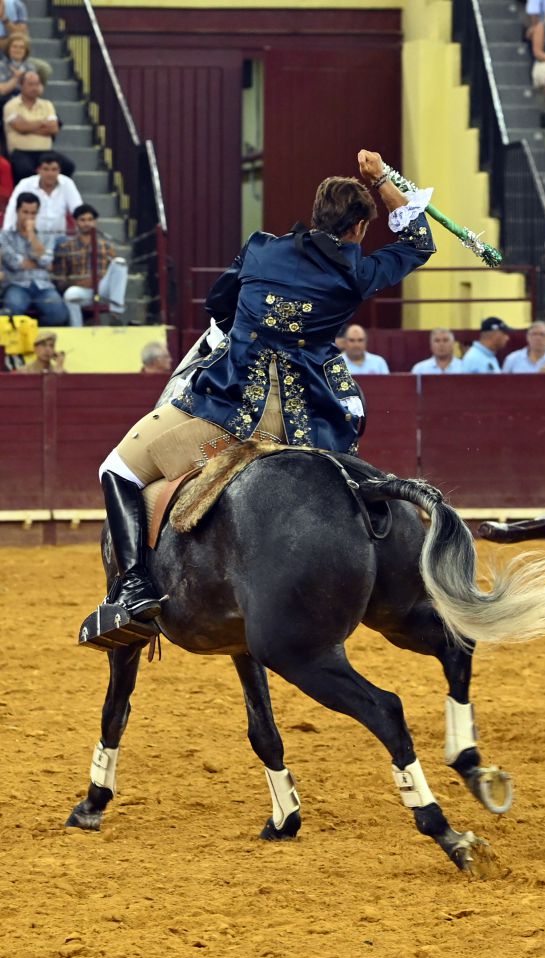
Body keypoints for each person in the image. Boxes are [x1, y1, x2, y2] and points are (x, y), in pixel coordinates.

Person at [94, 150, 434, 621]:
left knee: (117, 470)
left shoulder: (259, 249)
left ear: (317, 214)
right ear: (358, 230)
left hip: (228, 412)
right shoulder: (357, 275)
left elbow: (219, 302)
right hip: (306, 428)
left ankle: (132, 585)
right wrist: (382, 180)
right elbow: (418, 242)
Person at [52, 203, 128, 326]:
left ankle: (116, 314)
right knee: (70, 295)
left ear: (95, 222)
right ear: (76, 222)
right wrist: (78, 282)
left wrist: (98, 279)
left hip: (103, 289)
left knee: (120, 263)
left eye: (90, 220)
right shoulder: (66, 247)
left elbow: (115, 275)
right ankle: (77, 331)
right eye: (82, 220)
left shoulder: (107, 245)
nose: (87, 223)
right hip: (82, 290)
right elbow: (60, 280)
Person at [0, 191, 68, 326]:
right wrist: (40, 262)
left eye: (33, 213)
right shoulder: (5, 236)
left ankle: (37, 335)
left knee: (59, 315)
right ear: (17, 211)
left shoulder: (46, 236)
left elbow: (46, 260)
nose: (29, 217)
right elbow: (14, 262)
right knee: (13, 309)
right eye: (25, 212)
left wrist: (32, 236)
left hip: (43, 285)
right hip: (17, 283)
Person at [3, 71, 73, 182]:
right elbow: (20, 127)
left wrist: (28, 126)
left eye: (37, 84)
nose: (34, 88)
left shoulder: (47, 105)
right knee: (25, 170)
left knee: (68, 166)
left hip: (46, 152)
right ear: (21, 85)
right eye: (30, 84)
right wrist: (43, 123)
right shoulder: (11, 105)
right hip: (20, 152)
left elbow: (54, 128)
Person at [2, 152, 81, 234]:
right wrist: (7, 235)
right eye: (46, 169)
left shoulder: (67, 183)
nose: (50, 174)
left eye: (54, 169)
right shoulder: (25, 184)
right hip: (30, 237)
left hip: (58, 239)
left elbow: (78, 210)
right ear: (38, 170)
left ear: (59, 170)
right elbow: (12, 209)